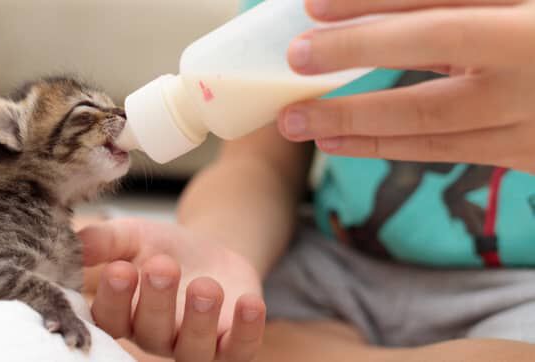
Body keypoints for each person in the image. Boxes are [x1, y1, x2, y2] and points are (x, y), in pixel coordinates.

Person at [80, 0, 535, 361]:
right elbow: (259, 166)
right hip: (338, 264)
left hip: (521, 286)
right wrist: (216, 253)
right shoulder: (291, 15)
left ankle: (304, 349)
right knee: (135, 315)